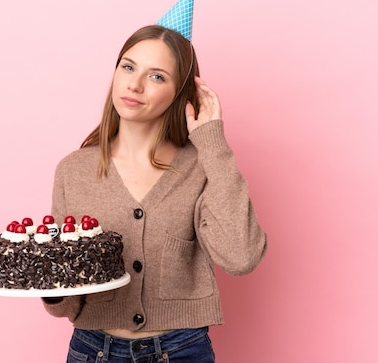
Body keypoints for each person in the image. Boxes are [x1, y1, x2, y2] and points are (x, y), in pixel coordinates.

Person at [41, 23, 268, 363]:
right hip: (93, 351)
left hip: (180, 351)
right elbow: (69, 301)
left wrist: (213, 143)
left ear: (181, 93)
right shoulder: (73, 171)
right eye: (128, 66)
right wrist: (52, 284)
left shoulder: (202, 166)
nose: (134, 84)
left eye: (157, 76)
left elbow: (241, 257)